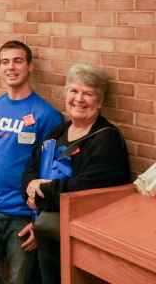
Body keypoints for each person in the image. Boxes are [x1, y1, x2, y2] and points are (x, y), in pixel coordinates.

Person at [0, 41, 62, 284]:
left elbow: (52, 171)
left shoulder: (47, 115)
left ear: (29, 67)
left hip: (23, 214)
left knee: (20, 280)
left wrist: (40, 222)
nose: (11, 67)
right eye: (5, 62)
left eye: (18, 61)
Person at [22, 63, 131, 284]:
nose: (79, 99)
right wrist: (31, 186)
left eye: (88, 94)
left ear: (99, 102)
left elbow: (89, 188)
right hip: (49, 231)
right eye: (74, 91)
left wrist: (41, 191)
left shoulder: (106, 139)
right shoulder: (59, 131)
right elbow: (31, 166)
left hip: (82, 240)